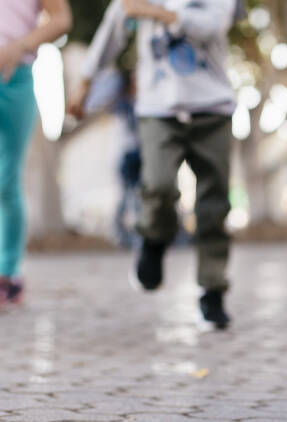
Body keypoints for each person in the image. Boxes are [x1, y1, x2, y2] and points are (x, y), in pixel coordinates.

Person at [68, 0, 245, 329]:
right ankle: (153, 238)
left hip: (213, 108)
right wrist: (85, 81)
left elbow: (213, 25)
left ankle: (212, 291)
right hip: (158, 110)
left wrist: (157, 12)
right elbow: (112, 31)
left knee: (214, 203)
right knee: (159, 185)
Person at [0, 0, 72, 306]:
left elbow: (61, 18)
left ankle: (8, 274)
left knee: (6, 178)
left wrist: (19, 47)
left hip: (15, 76)